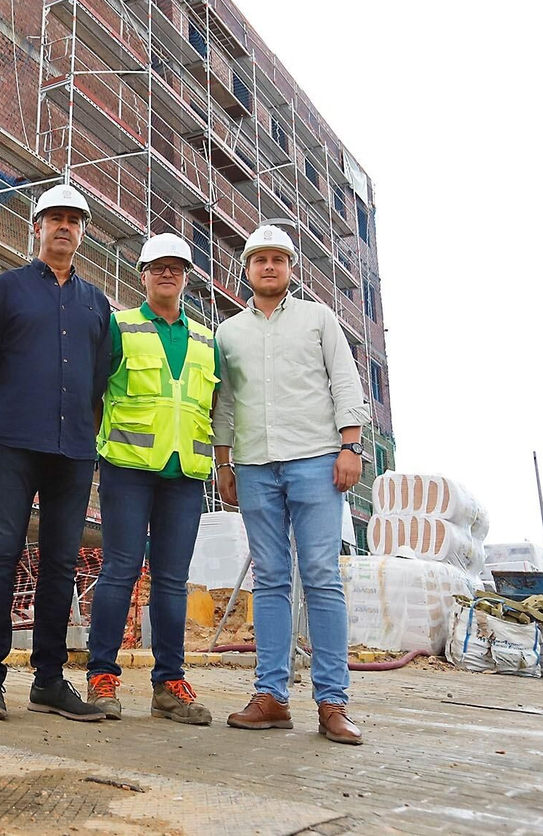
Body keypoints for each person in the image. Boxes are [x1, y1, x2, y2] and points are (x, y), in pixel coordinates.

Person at [212, 224, 370, 744]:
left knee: (321, 575)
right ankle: (272, 697)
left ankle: (332, 702)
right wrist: (224, 462)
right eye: (260, 260)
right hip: (256, 466)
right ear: (248, 269)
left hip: (316, 460)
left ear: (290, 269)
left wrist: (351, 447)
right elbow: (226, 403)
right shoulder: (228, 332)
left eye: (279, 259)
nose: (270, 267)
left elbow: (345, 379)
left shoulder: (318, 319)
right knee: (272, 579)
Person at [0, 183, 108, 722]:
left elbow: (100, 374)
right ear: (37, 226)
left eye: (74, 219)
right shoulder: (6, 291)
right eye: (54, 218)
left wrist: (79, 423)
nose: (64, 227)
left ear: (81, 232)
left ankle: (49, 679)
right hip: (14, 440)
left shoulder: (96, 303)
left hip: (73, 447)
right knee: (2, 553)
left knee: (61, 561)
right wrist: (3, 413)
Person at [85, 234, 216, 725]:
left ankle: (169, 683)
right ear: (142, 274)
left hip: (185, 475)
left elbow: (213, 407)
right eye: (157, 267)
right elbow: (95, 394)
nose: (167, 274)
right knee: (119, 569)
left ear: (185, 277)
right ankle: (102, 675)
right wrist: (104, 447)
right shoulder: (121, 327)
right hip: (127, 469)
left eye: (176, 268)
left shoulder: (205, 340)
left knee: (172, 581)